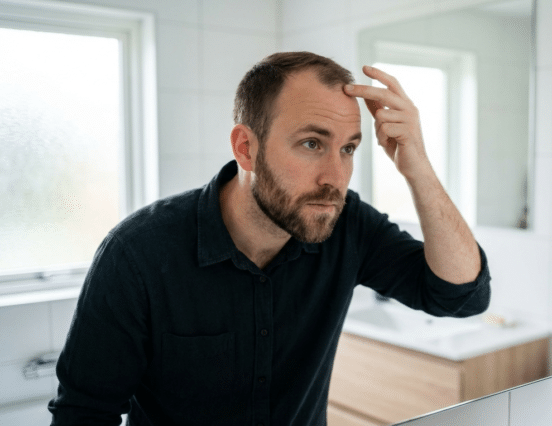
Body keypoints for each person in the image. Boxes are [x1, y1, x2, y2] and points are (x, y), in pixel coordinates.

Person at [48, 52, 490, 425]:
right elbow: (83, 415)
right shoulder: (138, 255)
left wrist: (418, 167)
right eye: (312, 144)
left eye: (349, 148)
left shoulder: (346, 224)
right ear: (246, 148)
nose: (336, 178)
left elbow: (461, 296)